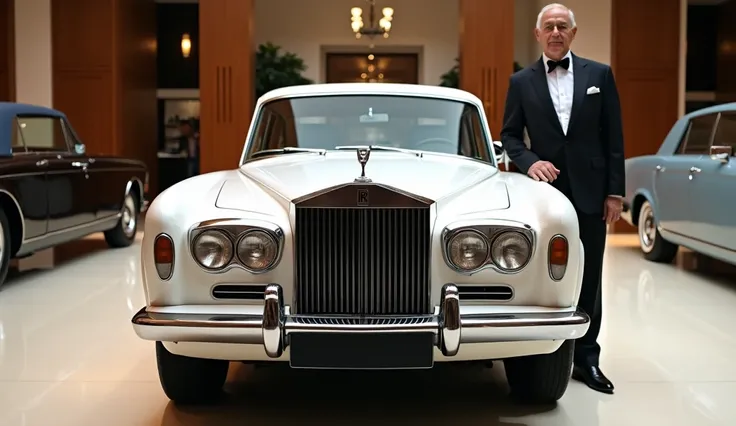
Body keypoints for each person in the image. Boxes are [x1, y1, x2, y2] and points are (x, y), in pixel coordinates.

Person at [500, 3, 624, 394]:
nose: (556, 32)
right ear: (538, 35)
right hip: (544, 196)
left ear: (573, 32)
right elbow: (510, 137)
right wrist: (530, 162)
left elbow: (614, 138)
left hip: (591, 192)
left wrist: (615, 192)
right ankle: (545, 353)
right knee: (542, 275)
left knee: (590, 278)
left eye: (562, 26)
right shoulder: (521, 81)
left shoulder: (599, 75)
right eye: (549, 26)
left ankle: (587, 359)